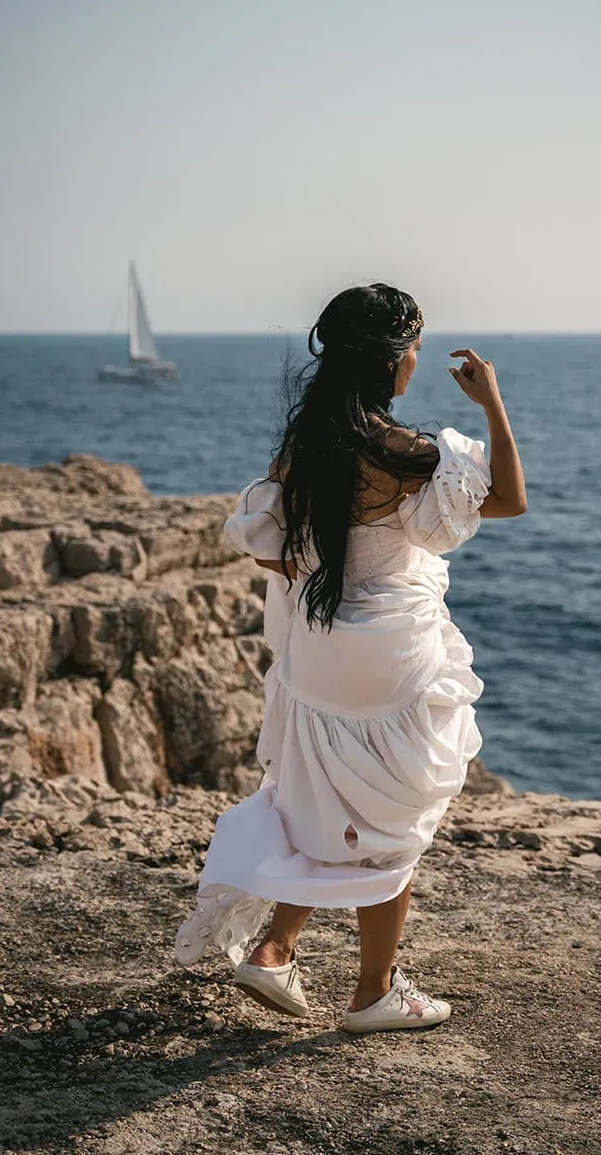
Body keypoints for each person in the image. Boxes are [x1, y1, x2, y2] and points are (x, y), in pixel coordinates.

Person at [174, 283, 527, 1033]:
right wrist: (490, 403)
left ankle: (274, 948)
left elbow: (276, 553)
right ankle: (372, 994)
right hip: (390, 651)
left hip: (316, 650)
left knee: (321, 805)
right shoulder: (406, 452)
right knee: (391, 823)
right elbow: (506, 502)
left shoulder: (304, 444)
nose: (418, 361)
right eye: (416, 349)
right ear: (393, 359)